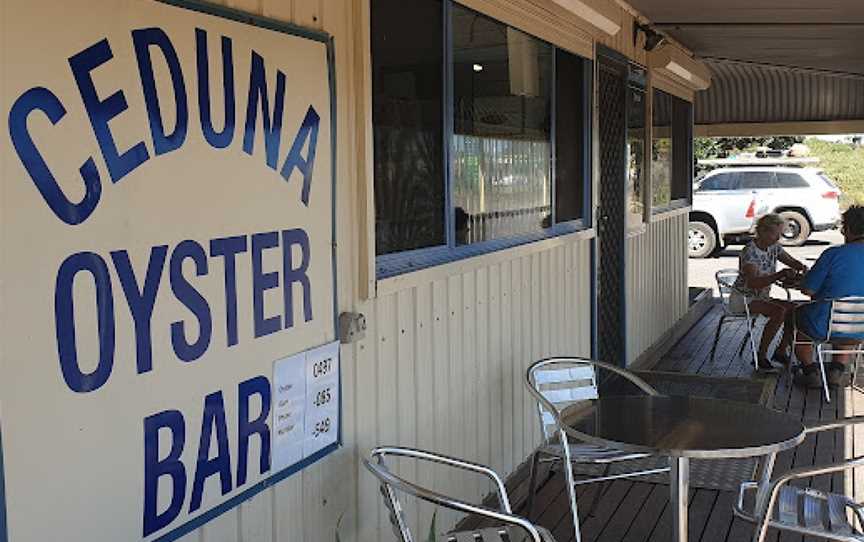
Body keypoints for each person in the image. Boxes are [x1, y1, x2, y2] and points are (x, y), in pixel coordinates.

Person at [793, 205, 864, 388]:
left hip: (825, 327)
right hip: (861, 328)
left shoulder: (833, 254)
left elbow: (808, 290)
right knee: (850, 319)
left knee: (795, 317)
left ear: (847, 229)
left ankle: (810, 372)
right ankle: (836, 371)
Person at [732, 214, 808, 372]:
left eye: (780, 234)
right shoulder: (750, 252)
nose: (778, 238)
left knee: (795, 309)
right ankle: (761, 355)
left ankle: (780, 351)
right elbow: (754, 283)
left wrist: (801, 268)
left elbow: (790, 260)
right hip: (743, 298)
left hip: (761, 297)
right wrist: (780, 275)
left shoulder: (773, 247)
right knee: (779, 311)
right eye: (775, 234)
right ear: (762, 232)